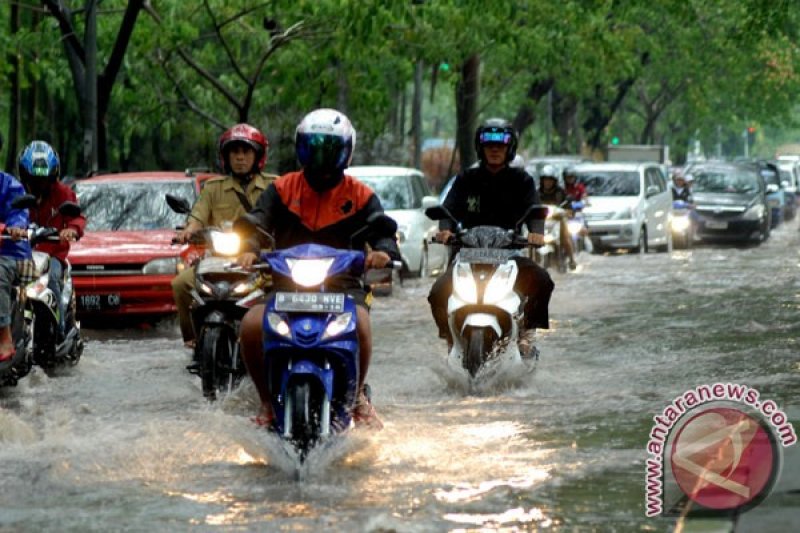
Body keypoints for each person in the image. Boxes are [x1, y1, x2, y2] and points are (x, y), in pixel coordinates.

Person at [236, 108, 400, 430]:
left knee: (362, 326)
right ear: (301, 149)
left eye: (329, 149)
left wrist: (382, 251)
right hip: (285, 285)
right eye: (313, 148)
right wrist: (248, 248)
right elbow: (258, 220)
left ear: (346, 151)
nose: (321, 158)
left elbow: (382, 231)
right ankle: (267, 400)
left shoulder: (360, 195)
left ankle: (356, 399)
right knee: (250, 326)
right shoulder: (283, 189)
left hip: (343, 286)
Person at [427, 118, 554, 357]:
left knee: (542, 280)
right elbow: (448, 211)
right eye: (489, 145)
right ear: (480, 148)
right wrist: (445, 230)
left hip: (509, 255)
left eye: (501, 145)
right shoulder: (466, 179)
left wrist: (537, 233)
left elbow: (535, 212)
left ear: (510, 148)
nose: (495, 150)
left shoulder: (522, 181)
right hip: (467, 255)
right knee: (437, 292)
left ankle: (526, 333)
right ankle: (449, 339)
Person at [171, 123, 276, 350]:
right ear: (225, 157)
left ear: (257, 156)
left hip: (261, 261)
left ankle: (281, 341)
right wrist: (189, 230)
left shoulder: (273, 186)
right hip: (219, 261)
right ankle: (193, 339)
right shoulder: (213, 188)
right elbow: (198, 216)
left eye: (246, 152)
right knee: (181, 284)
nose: (240, 158)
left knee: (286, 289)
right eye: (234, 152)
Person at [17, 141, 86, 339]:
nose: (39, 185)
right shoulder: (16, 192)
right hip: (22, 253)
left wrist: (71, 230)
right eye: (34, 179)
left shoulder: (63, 193)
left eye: (44, 180)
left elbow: (77, 217)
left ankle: (60, 331)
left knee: (52, 281)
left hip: (53, 255)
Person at [0, 169, 33, 362]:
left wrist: (15, 226)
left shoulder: (9, 185)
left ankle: (4, 335)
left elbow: (19, 212)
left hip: (8, 251)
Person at [538, 165, 577, 270]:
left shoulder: (561, 192)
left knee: (565, 237)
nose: (548, 182)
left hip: (558, 220)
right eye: (545, 180)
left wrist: (567, 212)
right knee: (531, 238)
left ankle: (572, 259)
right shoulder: (537, 192)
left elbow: (569, 208)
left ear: (554, 181)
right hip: (542, 222)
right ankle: (531, 259)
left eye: (550, 180)